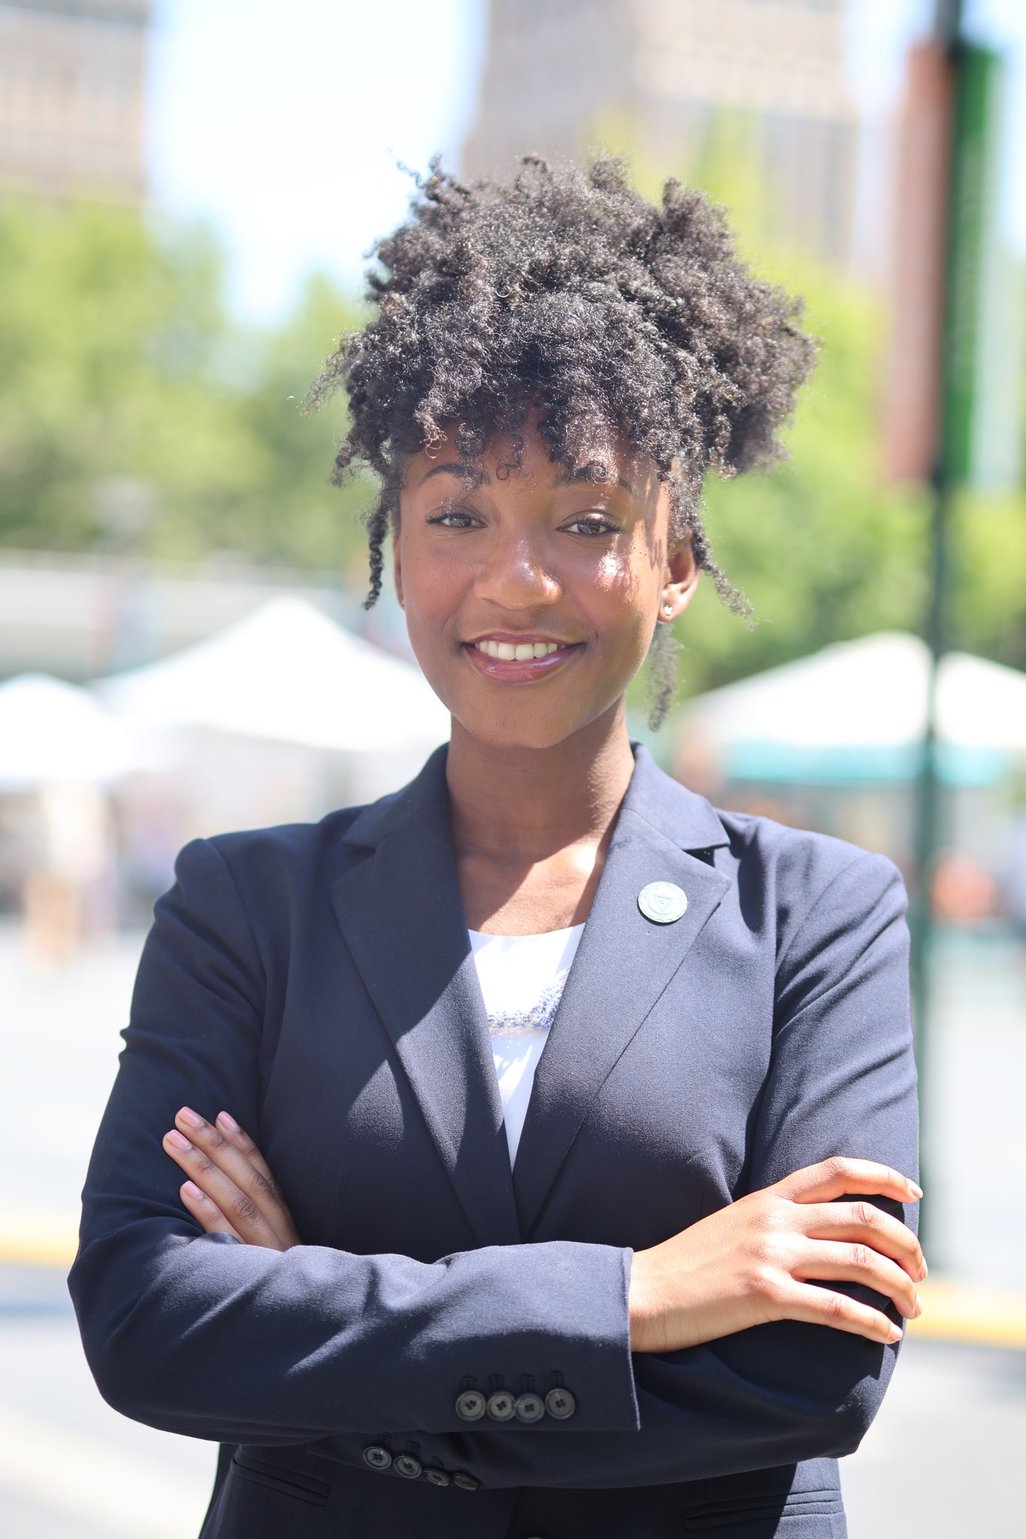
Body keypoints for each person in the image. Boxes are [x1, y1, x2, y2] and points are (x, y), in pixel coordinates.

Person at [70, 158, 922, 1539]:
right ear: (395, 546)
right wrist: (634, 1302)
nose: (515, 580)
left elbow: (818, 1365)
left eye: (586, 521)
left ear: (677, 559)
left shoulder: (817, 914)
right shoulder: (245, 904)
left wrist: (332, 1350)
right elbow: (146, 1318)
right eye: (457, 512)